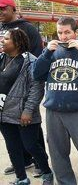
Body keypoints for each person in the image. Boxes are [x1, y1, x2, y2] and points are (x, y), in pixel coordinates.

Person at [32, 17, 78, 185]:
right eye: (60, 32)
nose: (64, 36)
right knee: (57, 155)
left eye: (67, 32)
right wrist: (46, 53)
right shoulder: (51, 52)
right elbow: (36, 74)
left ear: (76, 32)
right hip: (54, 112)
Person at [0, 0, 46, 177]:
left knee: (31, 133)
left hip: (24, 86)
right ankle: (21, 162)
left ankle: (40, 164)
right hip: (5, 88)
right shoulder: (1, 27)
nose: (0, 12)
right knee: (11, 135)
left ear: (13, 8)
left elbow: (36, 60)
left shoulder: (28, 28)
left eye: (3, 8)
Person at [0, 28, 53, 185]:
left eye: (7, 38)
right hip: (3, 112)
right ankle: (21, 178)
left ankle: (47, 173)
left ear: (17, 42)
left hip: (24, 113)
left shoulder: (31, 61)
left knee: (31, 146)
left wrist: (28, 110)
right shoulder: (2, 58)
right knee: (13, 147)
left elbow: (37, 88)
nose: (3, 40)